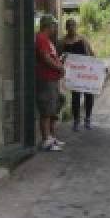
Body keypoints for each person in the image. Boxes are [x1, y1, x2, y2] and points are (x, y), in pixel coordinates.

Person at [35, 15, 66, 151]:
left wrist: (60, 62)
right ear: (48, 26)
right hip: (46, 79)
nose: (55, 28)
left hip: (52, 80)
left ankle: (51, 138)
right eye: (53, 25)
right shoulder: (41, 39)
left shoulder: (47, 40)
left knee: (53, 108)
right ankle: (46, 140)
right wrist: (59, 67)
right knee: (46, 110)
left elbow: (51, 57)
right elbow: (46, 58)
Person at [61, 17, 96, 131]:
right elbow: (58, 57)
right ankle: (76, 121)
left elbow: (91, 54)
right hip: (73, 75)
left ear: (76, 27)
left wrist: (98, 68)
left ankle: (88, 118)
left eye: (73, 25)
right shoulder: (63, 42)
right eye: (69, 25)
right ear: (66, 28)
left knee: (89, 95)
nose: (71, 28)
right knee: (75, 97)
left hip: (84, 73)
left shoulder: (82, 40)